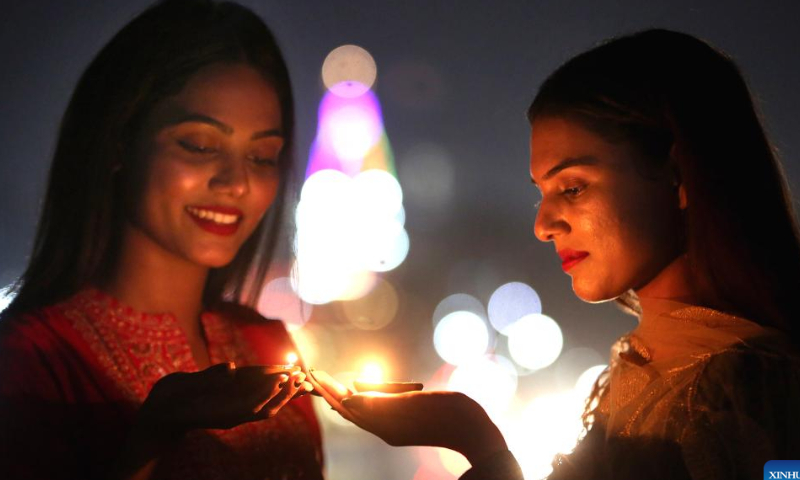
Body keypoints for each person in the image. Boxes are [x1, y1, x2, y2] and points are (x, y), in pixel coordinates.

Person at [308, 29, 800, 479]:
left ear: (676, 173)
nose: (543, 226)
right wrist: (473, 439)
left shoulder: (746, 391)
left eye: (572, 187)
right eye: (540, 192)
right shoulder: (642, 371)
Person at [0, 1, 324, 479]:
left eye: (261, 157)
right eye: (199, 145)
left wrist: (475, 449)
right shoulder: (31, 360)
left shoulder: (265, 346)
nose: (236, 183)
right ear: (118, 143)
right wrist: (150, 441)